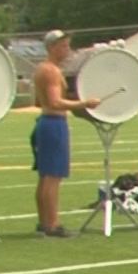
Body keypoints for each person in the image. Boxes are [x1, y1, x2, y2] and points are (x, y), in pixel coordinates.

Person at [29, 30, 100, 238]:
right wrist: (83, 103)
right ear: (52, 47)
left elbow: (38, 101)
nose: (67, 49)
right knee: (53, 177)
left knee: (45, 176)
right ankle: (52, 224)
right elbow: (54, 102)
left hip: (46, 122)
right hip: (53, 122)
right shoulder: (50, 71)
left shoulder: (43, 69)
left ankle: (45, 221)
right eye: (63, 45)